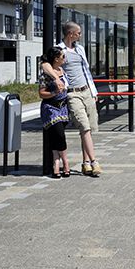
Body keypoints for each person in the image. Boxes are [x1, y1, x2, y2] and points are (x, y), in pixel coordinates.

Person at [41, 21, 102, 177]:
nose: (80, 35)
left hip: (87, 91)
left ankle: (86, 163)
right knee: (84, 126)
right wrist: (57, 79)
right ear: (71, 34)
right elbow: (45, 65)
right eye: (78, 33)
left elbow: (86, 71)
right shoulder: (60, 50)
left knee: (89, 129)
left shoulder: (80, 49)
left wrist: (94, 92)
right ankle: (94, 162)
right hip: (72, 94)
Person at [39, 47, 71, 178]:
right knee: (59, 134)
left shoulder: (62, 71)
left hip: (63, 108)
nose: (64, 59)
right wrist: (53, 92)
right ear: (56, 59)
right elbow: (41, 93)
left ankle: (56, 164)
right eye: (62, 57)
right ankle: (65, 162)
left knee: (56, 137)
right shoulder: (46, 74)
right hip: (51, 108)